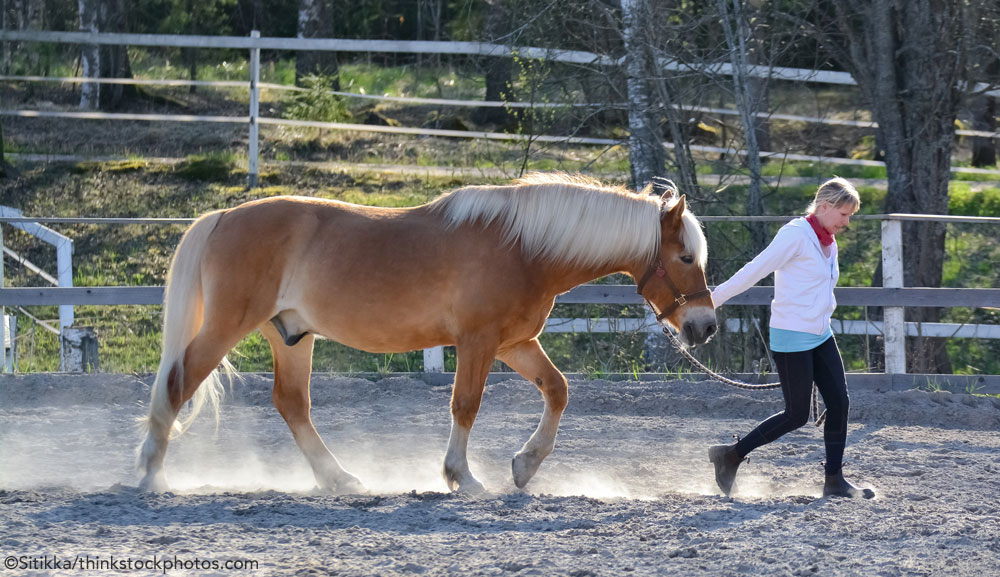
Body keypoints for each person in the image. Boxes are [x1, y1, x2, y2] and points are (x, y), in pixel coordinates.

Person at [708, 177, 875, 499]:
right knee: (796, 415)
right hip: (792, 335)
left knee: (839, 403)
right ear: (824, 206)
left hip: (821, 333)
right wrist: (711, 301)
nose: (847, 222)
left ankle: (834, 480)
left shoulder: (827, 241)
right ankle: (730, 455)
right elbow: (755, 270)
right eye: (844, 214)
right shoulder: (795, 235)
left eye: (850, 215)